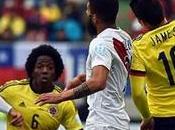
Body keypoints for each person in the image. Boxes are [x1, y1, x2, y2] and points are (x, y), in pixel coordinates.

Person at [36, 0, 132, 130]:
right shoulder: (124, 38)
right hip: (119, 121)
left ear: (95, 16)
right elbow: (113, 74)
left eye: (88, 11)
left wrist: (61, 96)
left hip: (103, 123)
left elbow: (98, 82)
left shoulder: (100, 43)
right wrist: (84, 78)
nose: (86, 14)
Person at [0, 44, 83, 130]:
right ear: (32, 71)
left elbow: (78, 128)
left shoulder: (64, 101)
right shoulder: (12, 89)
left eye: (50, 68)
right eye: (40, 67)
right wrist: (9, 110)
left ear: (56, 73)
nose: (45, 71)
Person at [129, 0, 175, 130]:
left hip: (162, 116)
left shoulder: (139, 47)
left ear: (141, 22)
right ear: (162, 11)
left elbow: (138, 93)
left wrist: (147, 117)